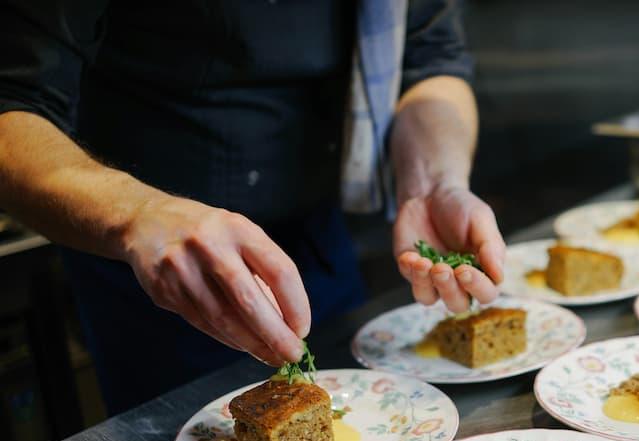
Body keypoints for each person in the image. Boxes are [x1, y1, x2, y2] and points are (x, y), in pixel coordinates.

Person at [0, 0, 505, 414]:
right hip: (163, 274)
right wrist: (138, 215)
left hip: (318, 246)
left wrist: (434, 182)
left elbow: (431, 62)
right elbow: (12, 106)